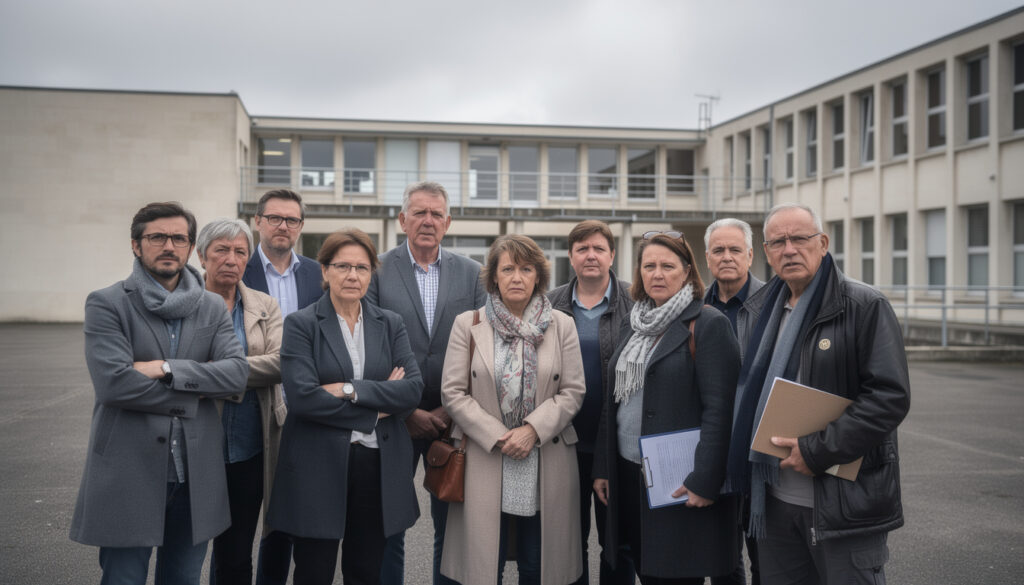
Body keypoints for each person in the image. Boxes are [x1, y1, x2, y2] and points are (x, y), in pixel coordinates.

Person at [727, 203, 910, 585]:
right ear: (766, 252)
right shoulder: (762, 309)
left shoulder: (862, 305)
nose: (789, 249)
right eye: (778, 242)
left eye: (799, 239)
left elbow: (889, 397)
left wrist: (817, 451)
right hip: (775, 501)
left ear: (823, 243)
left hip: (842, 505)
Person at [70, 202, 249, 585]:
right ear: (136, 245)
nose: (169, 245)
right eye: (157, 237)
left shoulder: (212, 306)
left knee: (183, 579)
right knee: (123, 579)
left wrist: (168, 369)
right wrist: (196, 392)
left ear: (189, 248)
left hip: (195, 475)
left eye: (178, 238)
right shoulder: (108, 303)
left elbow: (236, 375)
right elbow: (114, 383)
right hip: (128, 470)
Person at [266, 229, 424, 585]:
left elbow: (411, 391)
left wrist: (349, 389)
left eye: (362, 268)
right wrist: (378, 403)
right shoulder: (301, 324)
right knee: (314, 571)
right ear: (324, 272)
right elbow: (303, 398)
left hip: (377, 464)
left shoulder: (390, 324)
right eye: (343, 266)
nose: (353, 276)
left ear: (371, 274)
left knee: (366, 571)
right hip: (317, 465)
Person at [593, 231, 741, 585]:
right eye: (649, 266)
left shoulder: (708, 324)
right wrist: (603, 466)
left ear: (688, 271)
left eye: (667, 266)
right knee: (643, 566)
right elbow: (613, 399)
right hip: (629, 475)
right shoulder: (638, 321)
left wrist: (705, 481)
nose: (657, 274)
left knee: (674, 575)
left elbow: (720, 412)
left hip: (678, 481)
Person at [440, 234, 585, 585]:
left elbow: (573, 390)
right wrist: (501, 437)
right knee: (485, 567)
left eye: (526, 268)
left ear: (539, 276)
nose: (517, 277)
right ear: (494, 277)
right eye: (508, 269)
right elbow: (453, 392)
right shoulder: (468, 323)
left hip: (543, 454)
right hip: (487, 454)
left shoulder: (562, 324)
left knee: (538, 566)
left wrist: (532, 430)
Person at [366, 181, 486, 585]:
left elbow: (482, 348)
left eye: (436, 214)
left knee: (450, 526)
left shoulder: (472, 274)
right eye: (419, 212)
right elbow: (367, 346)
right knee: (390, 524)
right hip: (392, 417)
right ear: (402, 220)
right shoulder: (377, 271)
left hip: (453, 420)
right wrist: (406, 410)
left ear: (448, 222)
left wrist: (450, 409)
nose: (428, 221)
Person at [196, 219, 286, 585]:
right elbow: (175, 362)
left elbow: (281, 363)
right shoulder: (184, 305)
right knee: (185, 550)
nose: (231, 259)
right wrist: (238, 375)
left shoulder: (265, 305)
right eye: (221, 250)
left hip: (250, 447)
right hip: (197, 446)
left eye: (240, 251)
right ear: (202, 256)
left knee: (235, 555)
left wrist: (210, 374)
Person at [547, 220, 636, 585]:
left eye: (599, 248)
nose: (591, 256)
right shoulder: (549, 303)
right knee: (568, 543)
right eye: (582, 249)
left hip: (614, 444)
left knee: (617, 544)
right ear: (571, 256)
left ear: (612, 255)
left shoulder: (635, 301)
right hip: (562, 442)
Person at [242, 188, 322, 584]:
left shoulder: (316, 273)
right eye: (274, 218)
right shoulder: (237, 268)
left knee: (290, 520)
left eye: (291, 220)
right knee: (239, 527)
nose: (283, 226)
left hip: (305, 412)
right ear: (257, 221)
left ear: (301, 227)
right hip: (250, 409)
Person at [703, 218, 765, 585]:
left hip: (758, 451)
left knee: (766, 556)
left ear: (751, 255)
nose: (727, 257)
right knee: (721, 560)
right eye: (719, 250)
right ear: (707, 258)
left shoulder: (775, 304)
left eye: (735, 250)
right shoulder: (693, 305)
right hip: (711, 450)